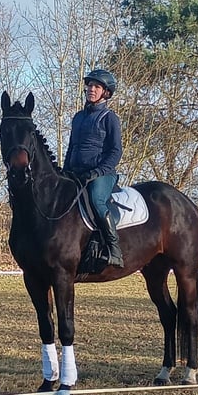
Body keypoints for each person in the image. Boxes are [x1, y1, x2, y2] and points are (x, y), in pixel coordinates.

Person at [63, 69, 124, 268]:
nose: (91, 89)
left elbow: (115, 151)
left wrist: (99, 171)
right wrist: (64, 170)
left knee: (97, 200)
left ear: (105, 92)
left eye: (97, 86)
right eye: (90, 85)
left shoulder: (109, 117)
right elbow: (72, 147)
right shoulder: (78, 117)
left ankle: (114, 249)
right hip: (76, 172)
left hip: (101, 174)